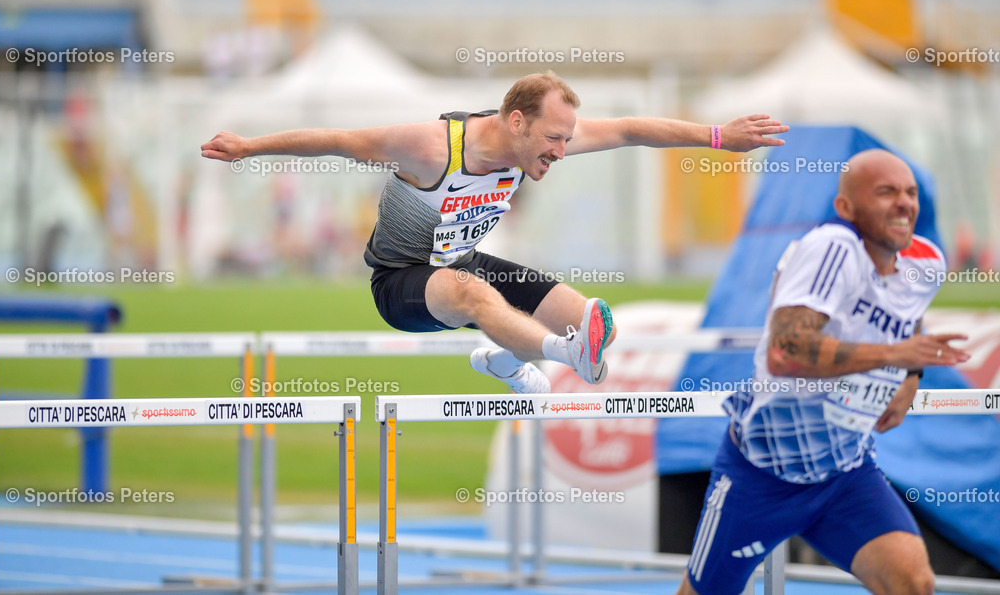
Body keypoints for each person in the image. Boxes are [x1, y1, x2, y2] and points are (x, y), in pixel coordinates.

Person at [202, 72, 788, 394]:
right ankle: (557, 357)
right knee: (478, 295)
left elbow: (633, 128)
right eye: (552, 140)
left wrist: (718, 137)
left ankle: (509, 361)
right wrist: (250, 147)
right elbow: (335, 139)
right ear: (516, 121)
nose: (561, 152)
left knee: (587, 320)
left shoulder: (539, 138)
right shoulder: (431, 147)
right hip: (404, 283)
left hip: (465, 262)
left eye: (566, 139)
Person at [676, 149, 971, 595]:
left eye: (910, 193)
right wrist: (895, 353)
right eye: (886, 192)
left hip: (844, 473)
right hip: (761, 473)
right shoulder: (832, 248)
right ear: (846, 208)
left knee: (914, 582)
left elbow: (907, 312)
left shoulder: (925, 263)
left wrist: (912, 376)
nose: (904, 203)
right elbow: (785, 352)